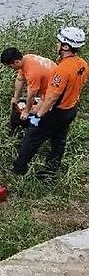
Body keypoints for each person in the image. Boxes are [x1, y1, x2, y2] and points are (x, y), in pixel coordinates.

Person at [13, 27, 87, 178]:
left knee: (32, 137)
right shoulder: (83, 64)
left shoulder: (61, 70)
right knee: (59, 140)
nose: (57, 45)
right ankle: (51, 171)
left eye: (59, 42)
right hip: (71, 109)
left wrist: (38, 115)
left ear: (65, 46)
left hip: (56, 111)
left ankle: (18, 169)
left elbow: (52, 98)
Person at [0, 48, 55, 128]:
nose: (11, 69)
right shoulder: (27, 58)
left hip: (53, 92)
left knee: (34, 112)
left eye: (11, 66)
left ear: (16, 62)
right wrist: (16, 98)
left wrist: (26, 111)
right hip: (48, 87)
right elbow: (20, 79)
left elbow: (32, 95)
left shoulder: (33, 72)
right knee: (26, 105)